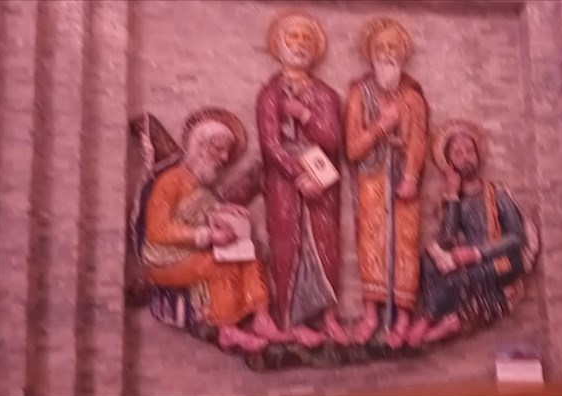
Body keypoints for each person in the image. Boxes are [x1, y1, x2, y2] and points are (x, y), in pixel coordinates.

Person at [137, 108, 290, 352]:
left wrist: (225, 210)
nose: (225, 157)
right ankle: (226, 330)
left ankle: (261, 319)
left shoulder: (198, 184)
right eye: (219, 149)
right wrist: (207, 235)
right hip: (165, 260)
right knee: (221, 266)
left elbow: (202, 211)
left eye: (227, 151)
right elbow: (158, 229)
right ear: (200, 147)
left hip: (190, 253)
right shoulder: (171, 181)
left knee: (250, 257)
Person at [256, 11, 349, 347]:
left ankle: (327, 317)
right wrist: (297, 175)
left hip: (321, 176)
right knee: (288, 244)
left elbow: (332, 139)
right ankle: (291, 320)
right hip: (285, 180)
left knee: (325, 245)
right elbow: (270, 144)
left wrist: (303, 114)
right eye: (293, 38)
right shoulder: (270, 94)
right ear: (280, 46)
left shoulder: (325, 95)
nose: (299, 45)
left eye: (306, 39)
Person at [405, 120, 540, 347]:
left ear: (478, 155)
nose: (465, 157)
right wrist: (451, 196)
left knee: (458, 280)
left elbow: (516, 238)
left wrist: (476, 253)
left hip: (503, 259)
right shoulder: (458, 200)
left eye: (469, 151)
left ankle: (428, 320)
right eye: (458, 153)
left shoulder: (497, 195)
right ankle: (450, 319)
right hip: (471, 260)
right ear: (448, 163)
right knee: (427, 264)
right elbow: (447, 238)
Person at [345, 17, 429, 347]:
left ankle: (403, 316)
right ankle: (372, 314)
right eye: (381, 47)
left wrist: (411, 177)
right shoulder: (359, 93)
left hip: (403, 181)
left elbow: (419, 141)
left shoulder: (413, 97)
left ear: (403, 53)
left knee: (405, 243)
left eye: (394, 47)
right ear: (371, 54)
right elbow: (353, 148)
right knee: (371, 242)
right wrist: (382, 126)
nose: (388, 53)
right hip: (371, 179)